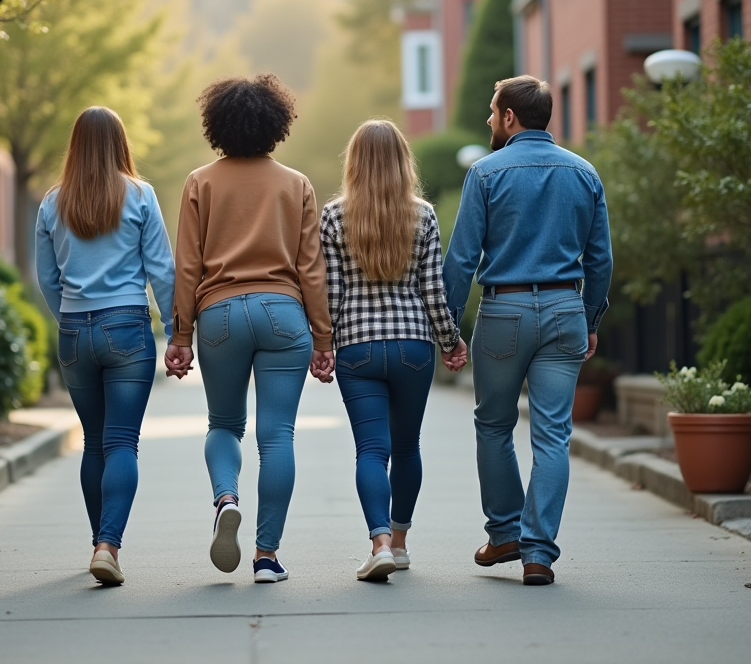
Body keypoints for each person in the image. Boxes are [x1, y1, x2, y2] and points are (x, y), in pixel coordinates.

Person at [442, 75, 612, 586]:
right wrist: (592, 319)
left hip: (504, 314)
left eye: (494, 113)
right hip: (565, 310)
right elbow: (600, 258)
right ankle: (538, 553)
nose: (490, 122)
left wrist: (448, 327)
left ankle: (505, 534)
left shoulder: (485, 173)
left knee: (494, 426)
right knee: (553, 436)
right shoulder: (585, 173)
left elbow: (462, 259)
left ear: (511, 117)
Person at [165, 74, 333, 584]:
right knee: (277, 434)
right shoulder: (296, 184)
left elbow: (187, 265)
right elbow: (311, 269)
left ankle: (225, 498)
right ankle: (266, 557)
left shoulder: (200, 182)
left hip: (219, 315)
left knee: (224, 425)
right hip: (284, 314)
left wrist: (180, 335)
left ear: (216, 124)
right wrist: (323, 339)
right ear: (275, 124)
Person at [321, 120, 468, 582]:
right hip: (413, 348)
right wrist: (451, 340)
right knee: (406, 447)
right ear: (405, 162)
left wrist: (322, 346)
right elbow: (432, 291)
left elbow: (331, 293)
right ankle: (400, 544)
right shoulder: (422, 215)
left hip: (357, 349)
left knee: (370, 449)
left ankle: (379, 541)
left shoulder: (333, 217)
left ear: (354, 162)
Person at [35, 106, 175, 586]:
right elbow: (161, 269)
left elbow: (46, 277)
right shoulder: (140, 195)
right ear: (120, 143)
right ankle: (108, 546)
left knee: (94, 441)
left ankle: (100, 541)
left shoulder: (52, 203)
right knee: (121, 443)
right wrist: (178, 329)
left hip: (74, 330)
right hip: (127, 329)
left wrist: (68, 319)